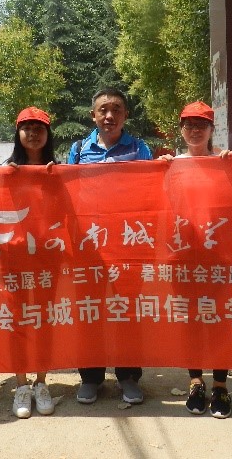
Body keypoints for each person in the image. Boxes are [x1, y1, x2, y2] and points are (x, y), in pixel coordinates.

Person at [68, 88, 153, 405]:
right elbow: (67, 194)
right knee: (90, 310)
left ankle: (128, 376)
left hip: (128, 244)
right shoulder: (78, 150)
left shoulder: (140, 148)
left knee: (127, 311)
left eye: (116, 109)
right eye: (103, 109)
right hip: (89, 245)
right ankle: (91, 377)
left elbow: (152, 191)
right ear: (93, 115)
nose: (109, 115)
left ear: (125, 115)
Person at [160, 101, 232, 418]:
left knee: (219, 319)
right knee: (190, 320)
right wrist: (158, 170)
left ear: (211, 129)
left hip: (217, 255)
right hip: (182, 255)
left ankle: (220, 385)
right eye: (189, 124)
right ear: (181, 129)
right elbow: (158, 203)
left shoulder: (223, 162)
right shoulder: (172, 164)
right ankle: (195, 382)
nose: (194, 130)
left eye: (201, 124)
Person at [6, 106, 57, 419]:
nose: (33, 134)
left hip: (48, 257)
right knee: (18, 319)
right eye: (27, 128)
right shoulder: (6, 171)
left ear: (48, 134)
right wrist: (6, 181)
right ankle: (21, 384)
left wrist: (56, 181)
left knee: (44, 319)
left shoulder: (59, 172)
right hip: (15, 256)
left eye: (39, 128)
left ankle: (41, 382)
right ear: (18, 134)